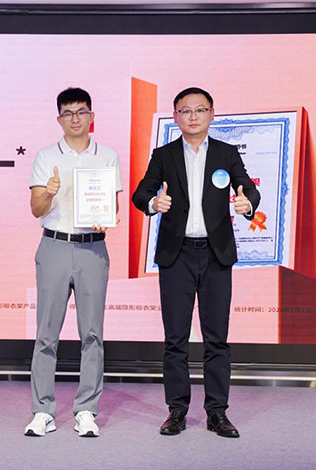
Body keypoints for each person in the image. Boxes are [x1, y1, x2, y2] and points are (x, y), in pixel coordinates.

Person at [132, 87, 260, 438]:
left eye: (200, 110)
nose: (193, 116)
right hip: (177, 255)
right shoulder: (164, 155)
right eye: (185, 110)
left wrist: (248, 203)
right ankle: (177, 411)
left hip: (216, 255)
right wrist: (152, 204)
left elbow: (247, 187)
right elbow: (142, 192)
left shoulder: (226, 153)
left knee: (217, 338)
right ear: (175, 116)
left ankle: (217, 412)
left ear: (211, 114)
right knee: (175, 338)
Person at [24, 87, 123, 438]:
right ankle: (43, 411)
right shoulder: (46, 155)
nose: (75, 119)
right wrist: (49, 192)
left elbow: (112, 208)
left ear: (92, 117)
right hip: (54, 246)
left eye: (81, 112)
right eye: (68, 113)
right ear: (59, 119)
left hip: (92, 250)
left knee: (92, 333)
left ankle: (86, 410)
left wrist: (104, 219)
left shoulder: (107, 155)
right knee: (46, 334)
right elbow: (36, 209)